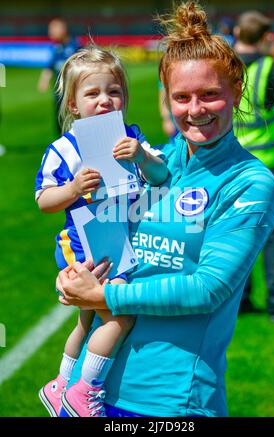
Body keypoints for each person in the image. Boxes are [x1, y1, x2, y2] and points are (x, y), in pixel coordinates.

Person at [56, 1, 274, 417]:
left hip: (170, 400)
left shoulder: (250, 183)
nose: (195, 110)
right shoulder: (153, 160)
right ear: (168, 100)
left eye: (210, 95)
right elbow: (104, 231)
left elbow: (208, 288)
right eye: (182, 97)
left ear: (236, 91)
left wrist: (105, 294)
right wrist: (76, 272)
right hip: (91, 389)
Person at [35, 46, 168, 417]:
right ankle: (85, 391)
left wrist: (142, 156)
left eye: (113, 92)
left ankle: (61, 383)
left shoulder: (130, 136)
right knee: (121, 314)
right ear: (73, 104)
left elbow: (161, 177)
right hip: (82, 246)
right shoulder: (63, 150)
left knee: (89, 316)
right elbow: (44, 201)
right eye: (92, 94)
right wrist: (73, 190)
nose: (105, 100)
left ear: (124, 97)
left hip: (118, 243)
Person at [233, 11, 274, 321]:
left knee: (236, 233)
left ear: (236, 32)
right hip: (268, 164)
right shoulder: (268, 67)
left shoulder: (224, 65)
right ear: (264, 39)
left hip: (233, 163)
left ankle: (239, 299)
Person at [37, 17, 80, 133]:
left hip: (72, 93)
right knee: (59, 123)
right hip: (59, 93)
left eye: (53, 29)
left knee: (74, 122)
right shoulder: (56, 48)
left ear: (63, 29)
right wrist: (44, 81)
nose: (50, 32)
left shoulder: (75, 46)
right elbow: (49, 67)